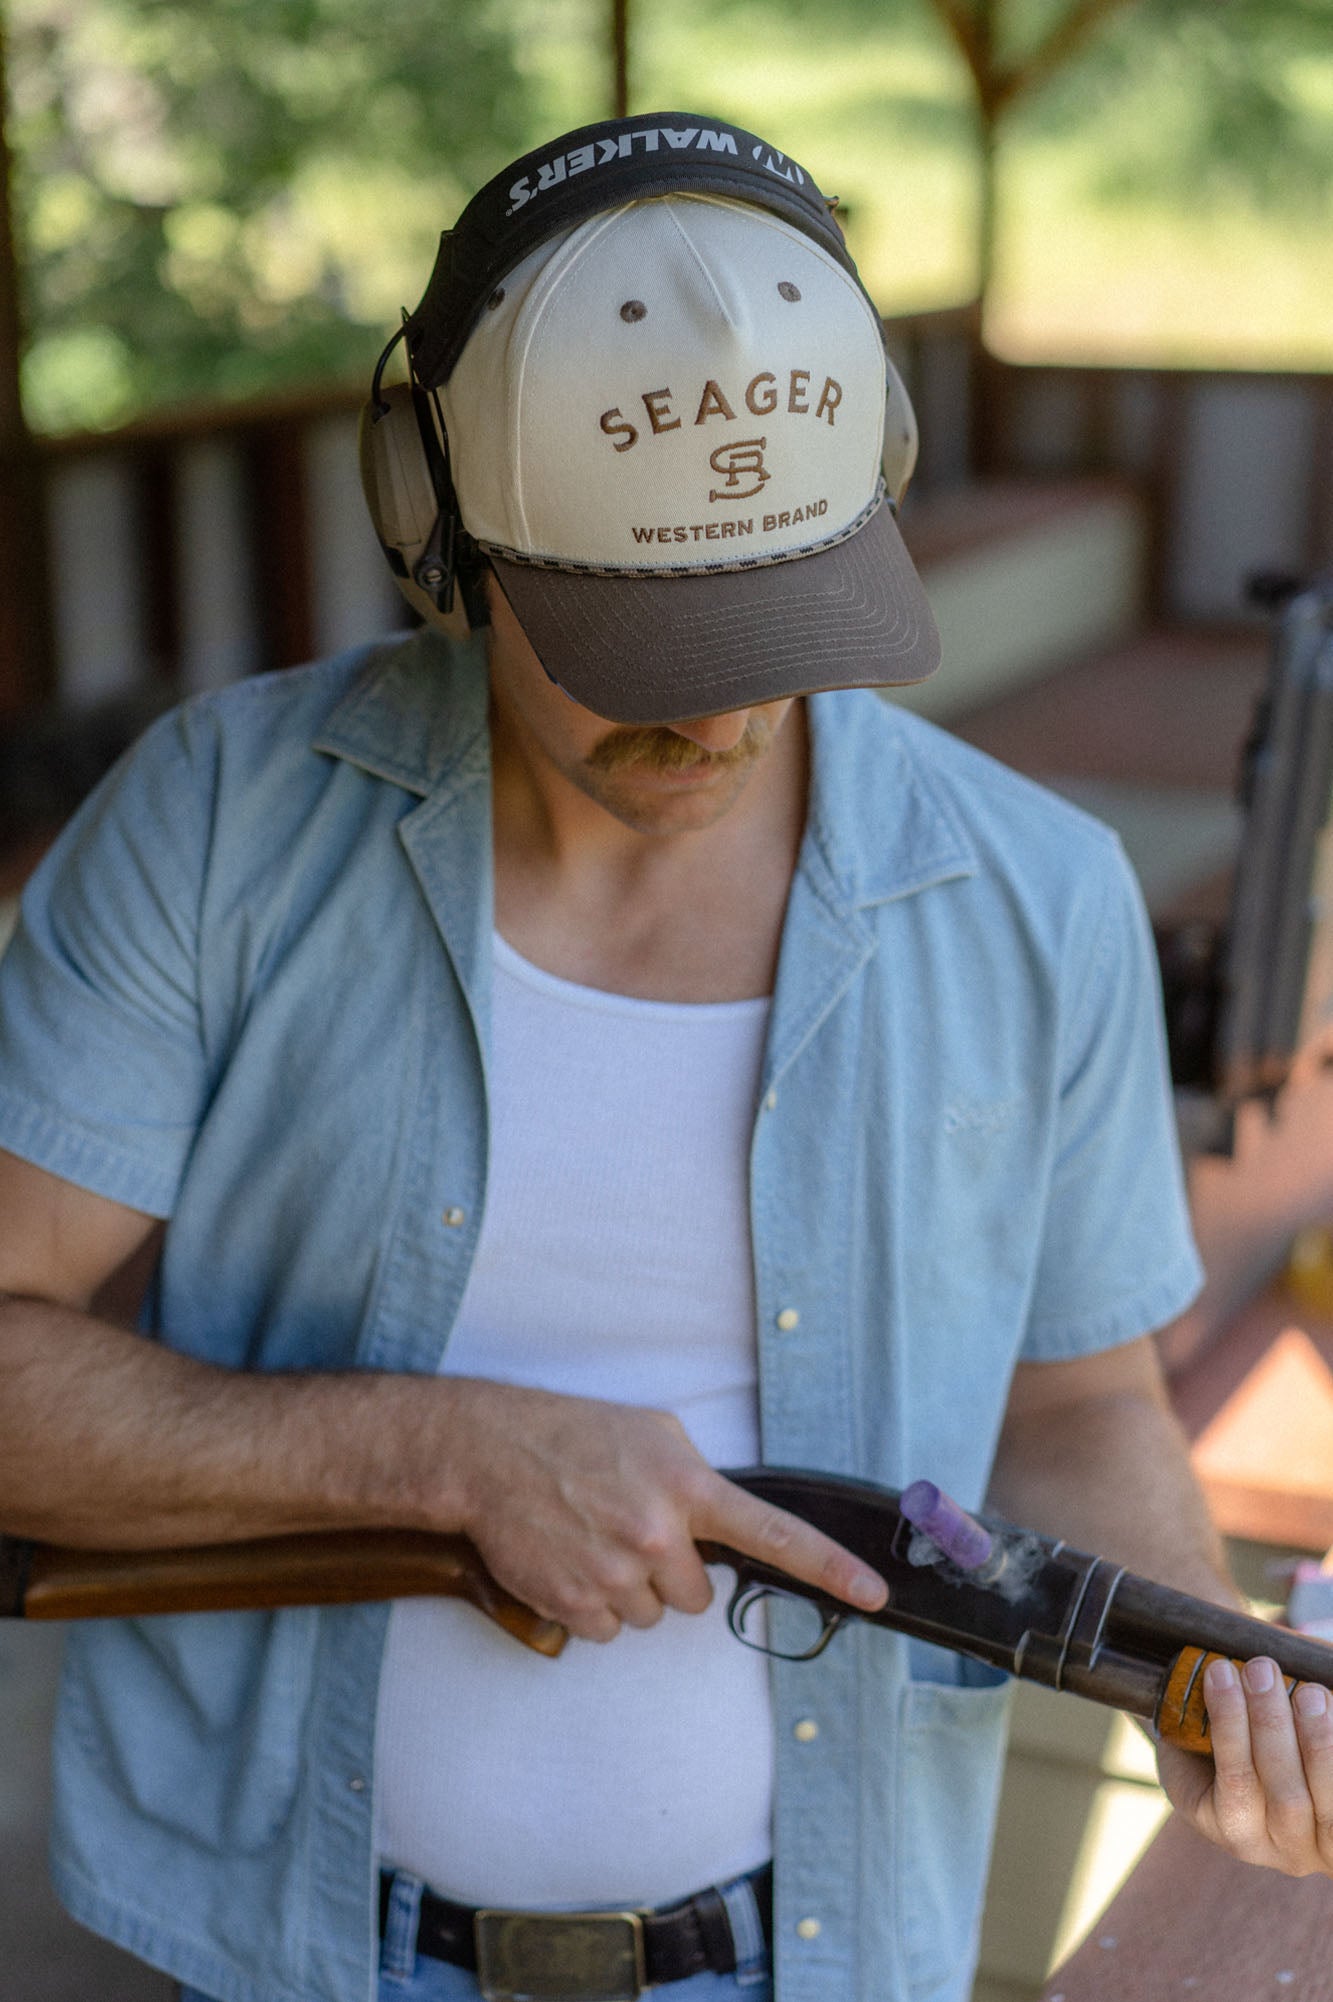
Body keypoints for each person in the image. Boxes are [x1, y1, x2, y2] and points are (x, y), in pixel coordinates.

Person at [1, 112, 1331, 2002]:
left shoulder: (1041, 895)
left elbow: (1075, 1404)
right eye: (638, 636)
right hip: (272, 1944)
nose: (716, 708)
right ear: (441, 530)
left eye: (779, 619)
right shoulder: (214, 824)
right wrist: (440, 1455)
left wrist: (1187, 1681)